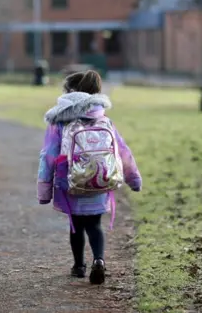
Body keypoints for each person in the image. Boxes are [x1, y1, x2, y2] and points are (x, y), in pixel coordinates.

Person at [37, 70, 142, 285]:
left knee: (75, 225)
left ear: (70, 93)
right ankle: (100, 260)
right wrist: (134, 179)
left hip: (71, 182)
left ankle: (78, 266)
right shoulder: (105, 120)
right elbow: (123, 151)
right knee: (95, 225)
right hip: (100, 180)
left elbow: (48, 155)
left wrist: (44, 189)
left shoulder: (60, 122)